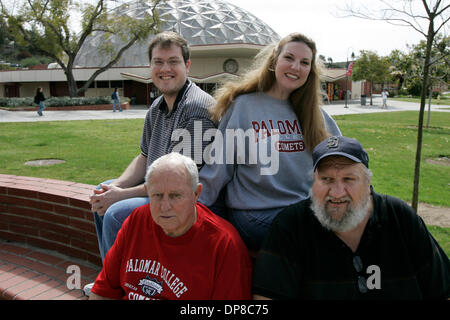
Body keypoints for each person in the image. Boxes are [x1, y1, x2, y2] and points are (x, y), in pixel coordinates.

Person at [252, 135, 450, 300]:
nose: (337, 192)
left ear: (367, 182)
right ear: (314, 183)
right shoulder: (290, 226)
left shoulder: (401, 219)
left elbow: (443, 291)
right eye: (326, 179)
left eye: (349, 179)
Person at [198, 33, 341, 252]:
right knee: (320, 240)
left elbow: (341, 160)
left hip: (304, 211)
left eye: (304, 63)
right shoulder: (244, 106)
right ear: (275, 60)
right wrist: (192, 204)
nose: (295, 67)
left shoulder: (315, 114)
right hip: (255, 215)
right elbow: (219, 167)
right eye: (289, 58)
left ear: (310, 71)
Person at [89, 31, 216, 263]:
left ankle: (117, 287)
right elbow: (144, 157)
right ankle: (112, 275)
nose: (165, 69)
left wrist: (121, 196)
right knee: (103, 190)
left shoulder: (197, 108)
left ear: (187, 66)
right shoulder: (157, 106)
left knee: (116, 214)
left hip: (188, 199)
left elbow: (178, 183)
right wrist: (114, 188)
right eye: (158, 62)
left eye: (173, 62)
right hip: (160, 189)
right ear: (150, 67)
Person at [89, 153, 252, 300]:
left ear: (196, 194)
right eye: (157, 195)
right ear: (147, 192)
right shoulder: (136, 220)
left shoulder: (224, 245)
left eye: (175, 196)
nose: (165, 206)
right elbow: (103, 291)